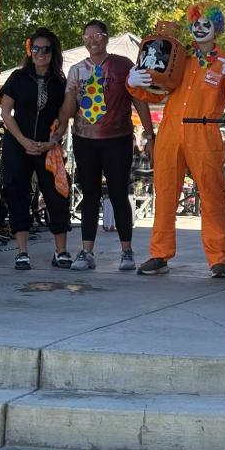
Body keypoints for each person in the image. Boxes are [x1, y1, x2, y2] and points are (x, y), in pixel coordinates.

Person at [128, 2, 225, 278]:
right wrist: (135, 82)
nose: (199, 27)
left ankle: (219, 258)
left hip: (204, 134)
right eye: (196, 22)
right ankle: (159, 254)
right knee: (165, 195)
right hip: (171, 133)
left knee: (213, 196)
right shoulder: (178, 58)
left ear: (216, 28)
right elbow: (155, 95)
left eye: (205, 23)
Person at [58, 20, 153, 272]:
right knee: (89, 195)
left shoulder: (122, 65)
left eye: (97, 35)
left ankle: (126, 251)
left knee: (119, 194)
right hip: (84, 139)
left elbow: (140, 100)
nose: (92, 40)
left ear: (106, 38)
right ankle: (87, 252)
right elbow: (68, 111)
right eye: (86, 36)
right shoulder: (76, 70)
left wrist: (151, 135)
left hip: (117, 138)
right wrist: (69, 97)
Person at [0, 29, 71, 270]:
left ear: (53, 53)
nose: (40, 54)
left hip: (48, 145)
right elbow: (5, 112)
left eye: (45, 49)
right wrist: (22, 140)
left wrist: (52, 141)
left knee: (56, 194)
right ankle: (22, 252)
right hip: (18, 143)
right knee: (17, 191)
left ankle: (61, 251)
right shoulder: (18, 77)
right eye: (36, 49)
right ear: (30, 51)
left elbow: (63, 117)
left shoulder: (60, 82)